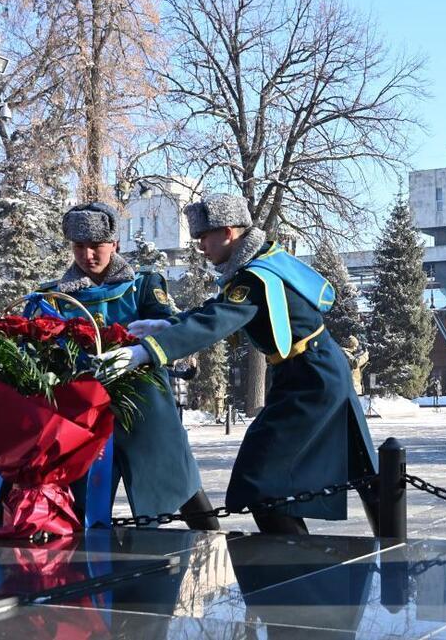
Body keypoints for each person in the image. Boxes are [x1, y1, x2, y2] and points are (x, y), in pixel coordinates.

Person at [98, 194, 378, 536]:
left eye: (204, 237)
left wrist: (147, 351)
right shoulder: (258, 264)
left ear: (228, 232)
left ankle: (296, 560)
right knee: (355, 473)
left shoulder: (253, 279)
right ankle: (304, 557)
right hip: (310, 371)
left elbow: (216, 321)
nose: (201, 246)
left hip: (311, 378)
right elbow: (215, 309)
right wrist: (167, 325)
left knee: (259, 481)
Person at [20, 203, 216, 530]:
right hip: (82, 417)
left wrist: (159, 348)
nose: (87, 255)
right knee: (82, 511)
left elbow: (169, 331)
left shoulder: (144, 286)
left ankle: (216, 549)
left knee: (182, 487)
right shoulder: (52, 298)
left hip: (147, 410)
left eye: (96, 245)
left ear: (115, 244)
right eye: (79, 246)